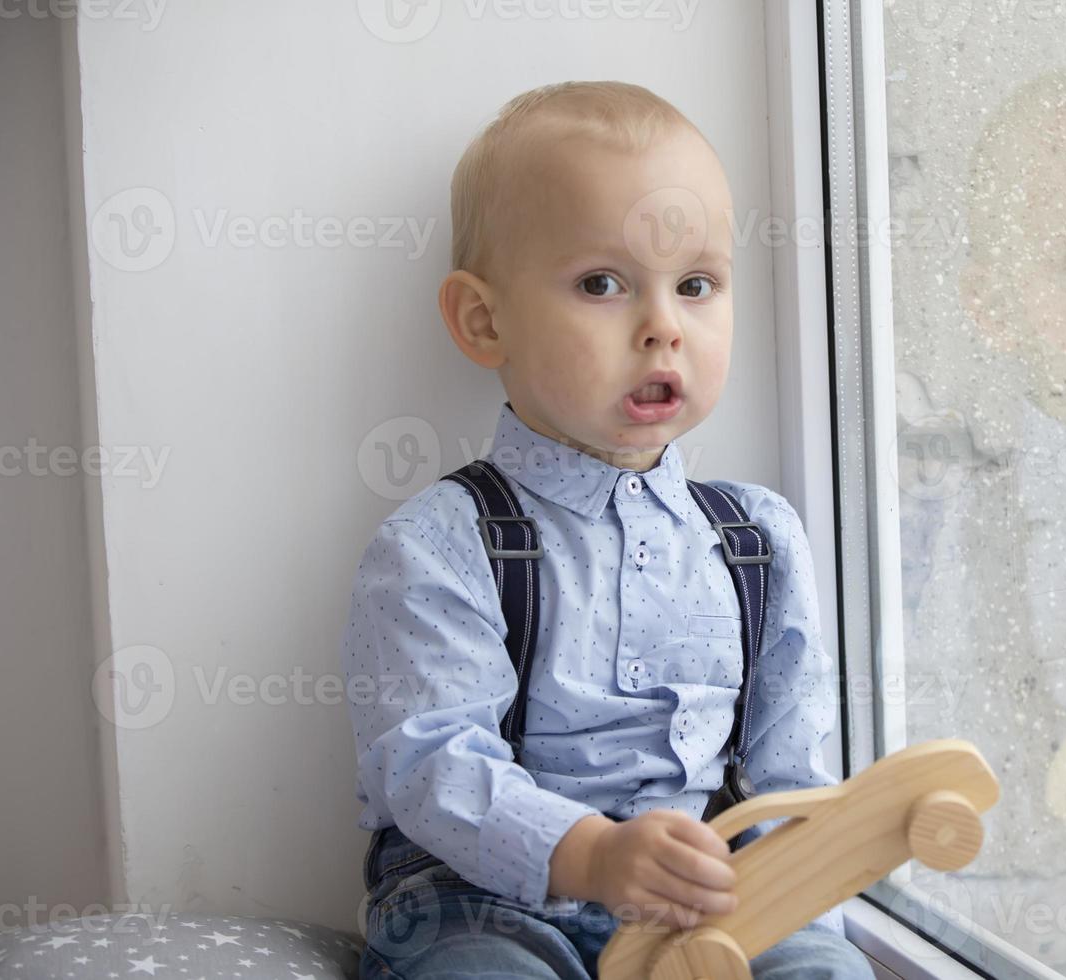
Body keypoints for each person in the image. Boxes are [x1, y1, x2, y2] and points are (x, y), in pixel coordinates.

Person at [339, 81, 873, 979]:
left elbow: (788, 782)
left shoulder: (760, 540)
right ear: (484, 319)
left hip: (708, 903)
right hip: (487, 904)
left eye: (696, 284)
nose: (664, 326)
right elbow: (431, 769)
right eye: (602, 284)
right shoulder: (440, 545)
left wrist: (800, 896)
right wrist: (591, 857)